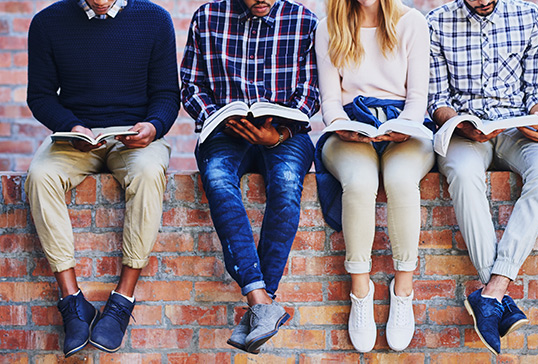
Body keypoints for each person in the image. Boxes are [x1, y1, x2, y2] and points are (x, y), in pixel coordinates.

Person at [25, 0, 179, 356]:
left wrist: (153, 126)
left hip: (135, 138)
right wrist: (71, 127)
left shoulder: (155, 19)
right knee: (40, 174)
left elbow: (167, 96)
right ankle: (73, 302)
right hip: (78, 137)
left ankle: (123, 299)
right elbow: (41, 96)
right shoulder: (47, 23)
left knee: (149, 171)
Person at [180, 0, 318, 353]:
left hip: (284, 132)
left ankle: (260, 303)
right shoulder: (208, 16)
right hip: (227, 129)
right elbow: (191, 85)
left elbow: (311, 91)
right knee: (217, 178)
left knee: (287, 184)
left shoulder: (303, 20)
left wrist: (282, 132)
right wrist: (219, 118)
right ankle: (261, 301)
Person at [427, 0, 538, 355]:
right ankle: (497, 294)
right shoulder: (437, 22)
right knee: (462, 172)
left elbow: (536, 91)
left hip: (517, 127)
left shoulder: (529, 16)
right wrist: (459, 122)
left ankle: (492, 291)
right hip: (465, 131)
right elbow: (436, 99)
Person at [314, 0, 433, 353]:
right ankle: (361, 292)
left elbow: (417, 98)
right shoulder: (328, 27)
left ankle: (403, 290)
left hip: (405, 127)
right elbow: (330, 102)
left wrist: (403, 128)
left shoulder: (413, 23)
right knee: (361, 181)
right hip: (350, 128)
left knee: (399, 180)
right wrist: (343, 128)